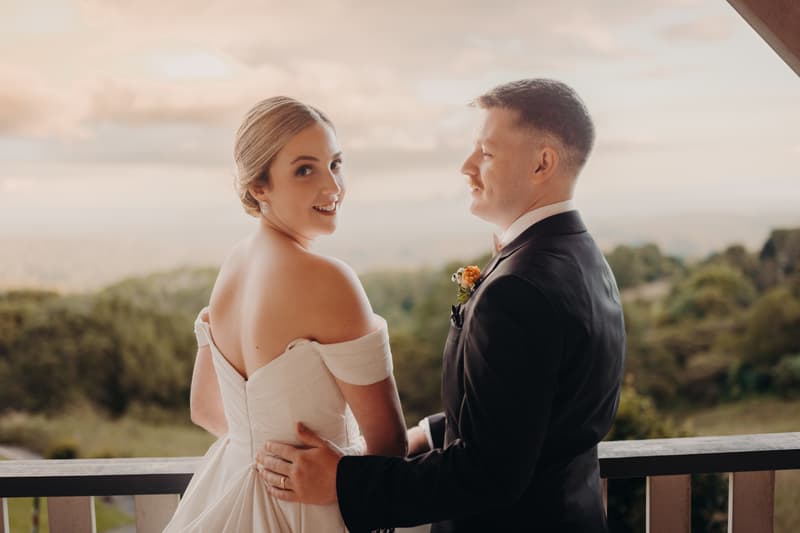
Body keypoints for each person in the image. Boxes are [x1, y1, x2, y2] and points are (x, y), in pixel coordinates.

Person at [256, 79, 627, 532]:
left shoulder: (520, 290)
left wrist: (343, 481)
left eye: (486, 153)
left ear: (542, 162)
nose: (467, 166)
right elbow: (528, 411)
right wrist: (432, 433)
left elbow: (488, 475)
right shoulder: (581, 257)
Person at [163, 97, 408, 532]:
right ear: (259, 187)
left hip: (226, 493)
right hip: (306, 509)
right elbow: (389, 445)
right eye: (304, 170)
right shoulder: (328, 280)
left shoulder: (234, 266)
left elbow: (203, 408)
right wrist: (331, 472)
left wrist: (261, 450)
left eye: (335, 164)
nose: (332, 187)